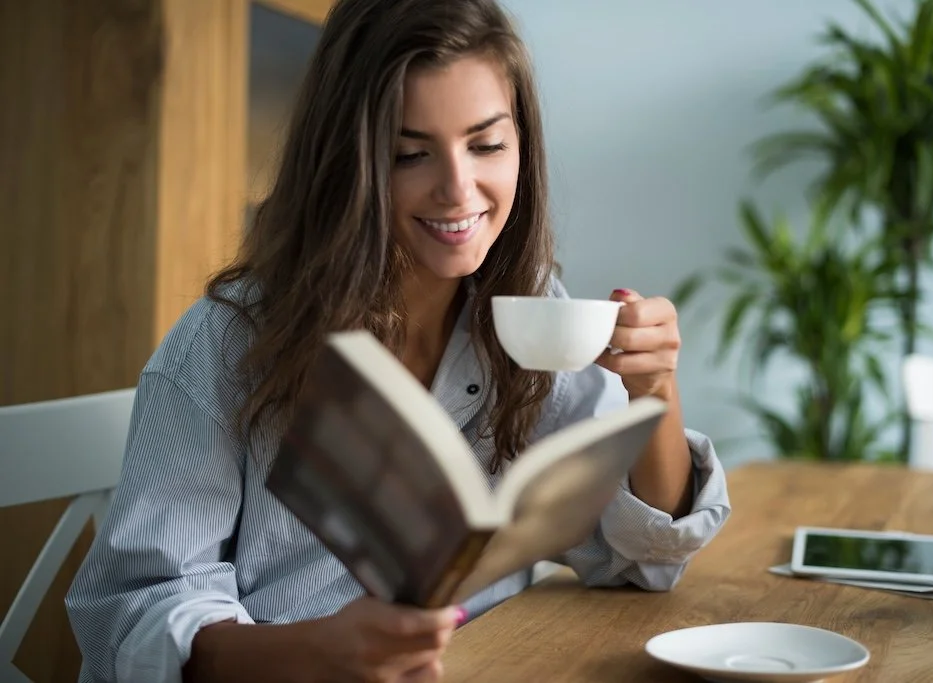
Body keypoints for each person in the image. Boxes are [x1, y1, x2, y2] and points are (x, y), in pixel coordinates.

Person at [65, 0, 731, 681]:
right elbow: (134, 612)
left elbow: (642, 557)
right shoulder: (227, 343)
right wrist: (315, 652)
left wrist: (654, 390)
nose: (457, 188)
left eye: (486, 144)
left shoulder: (529, 316)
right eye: (409, 153)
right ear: (345, 162)